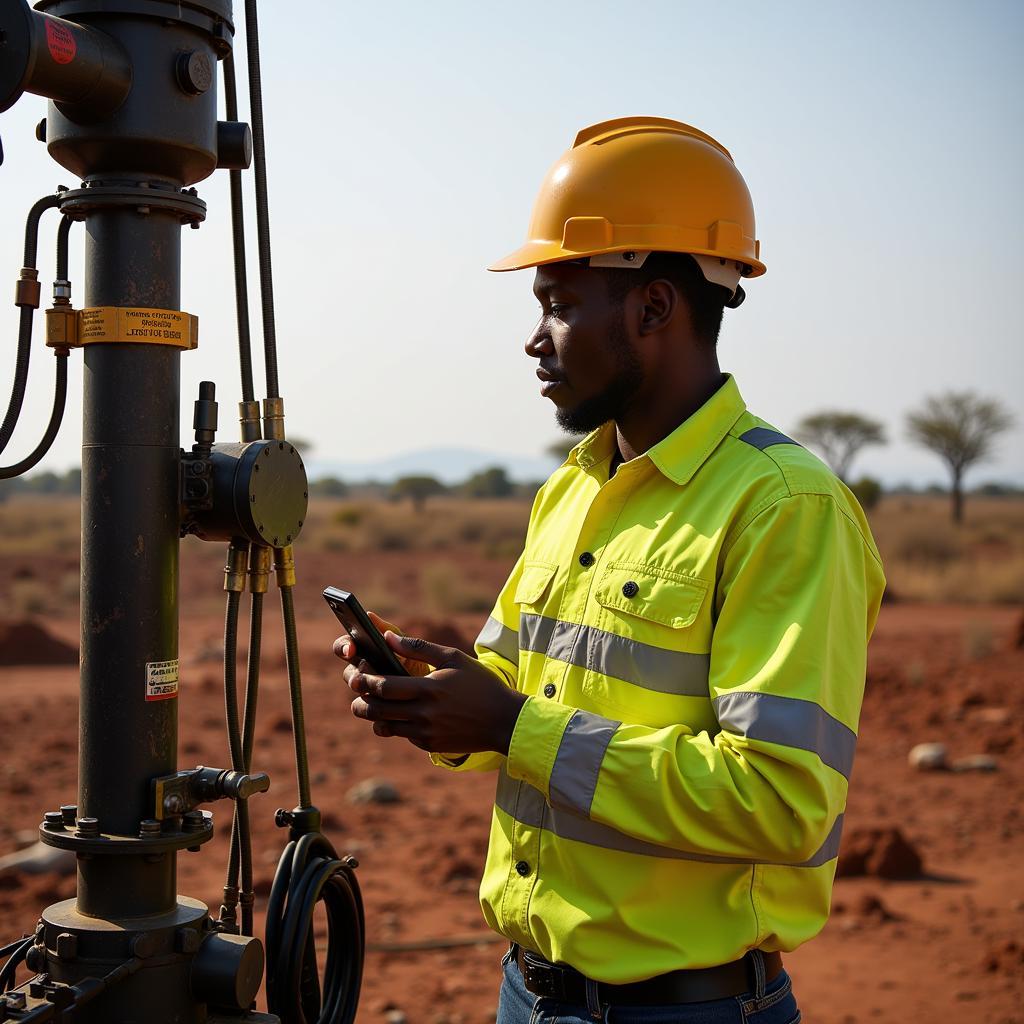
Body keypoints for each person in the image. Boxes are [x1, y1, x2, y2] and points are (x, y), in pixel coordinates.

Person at [334, 117, 885, 1023]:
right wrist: (437, 703)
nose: (534, 339)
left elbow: (784, 800)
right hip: (533, 991)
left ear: (653, 309)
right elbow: (518, 694)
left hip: (688, 1009)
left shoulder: (785, 507)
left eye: (557, 303)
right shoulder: (575, 487)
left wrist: (514, 726)